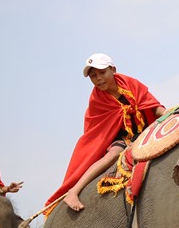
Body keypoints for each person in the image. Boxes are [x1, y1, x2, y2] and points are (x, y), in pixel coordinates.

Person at [48, 54, 165, 211]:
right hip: (119, 137)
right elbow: (99, 131)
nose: (98, 79)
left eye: (102, 73)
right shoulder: (97, 99)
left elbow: (153, 107)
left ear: (113, 70)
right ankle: (73, 192)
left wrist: (173, 115)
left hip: (145, 129)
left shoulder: (130, 84)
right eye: (93, 76)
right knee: (115, 154)